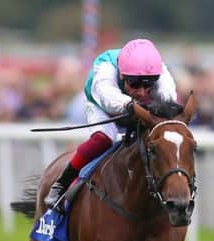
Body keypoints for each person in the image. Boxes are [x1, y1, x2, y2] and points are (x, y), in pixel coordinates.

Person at [44, 38, 177, 210]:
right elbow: (107, 97)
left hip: (138, 107)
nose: (142, 91)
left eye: (148, 85)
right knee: (104, 139)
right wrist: (132, 105)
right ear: (122, 75)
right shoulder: (105, 67)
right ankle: (61, 184)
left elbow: (169, 99)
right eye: (135, 84)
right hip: (101, 105)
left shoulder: (159, 70)